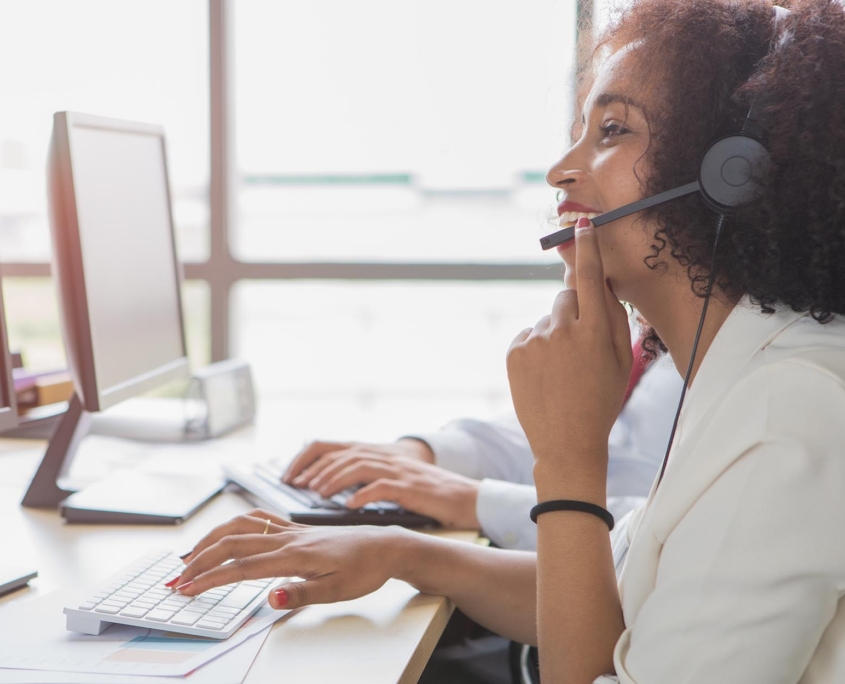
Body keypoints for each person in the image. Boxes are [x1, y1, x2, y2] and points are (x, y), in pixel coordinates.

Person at [174, 1, 845, 682]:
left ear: (731, 176)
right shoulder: (745, 376)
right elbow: (614, 592)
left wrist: (568, 463)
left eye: (611, 130)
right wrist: (400, 553)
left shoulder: (784, 414)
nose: (560, 169)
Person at [281, 350, 683, 551]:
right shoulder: (665, 343)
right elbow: (613, 451)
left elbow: (668, 535)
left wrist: (472, 501)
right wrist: (423, 454)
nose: (555, 181)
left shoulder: (735, 368)